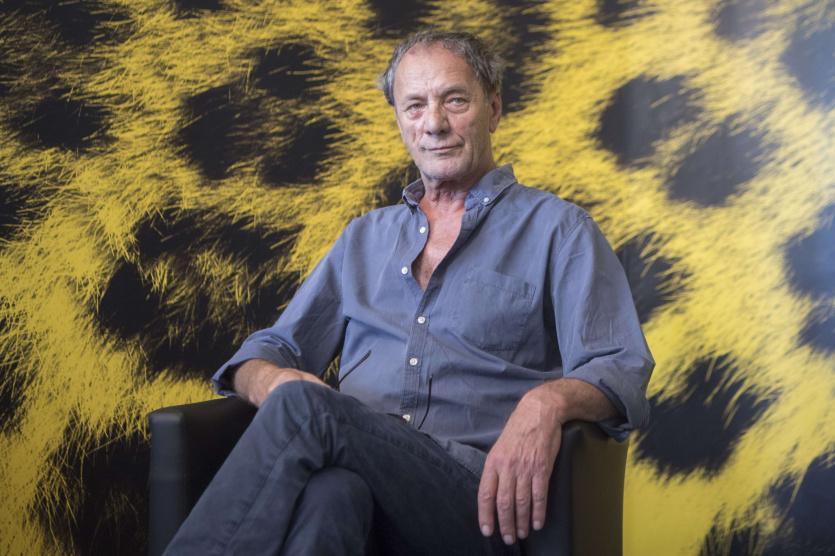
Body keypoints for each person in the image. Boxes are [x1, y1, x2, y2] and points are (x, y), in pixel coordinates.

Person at [165, 30, 653, 555]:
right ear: (399, 120)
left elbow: (620, 366)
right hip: (363, 483)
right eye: (414, 106)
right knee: (332, 495)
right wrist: (273, 379)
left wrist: (547, 400)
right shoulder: (363, 239)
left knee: (308, 409)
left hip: (475, 503)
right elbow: (267, 350)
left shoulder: (560, 230)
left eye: (455, 101)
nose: (434, 123)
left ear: (493, 109)